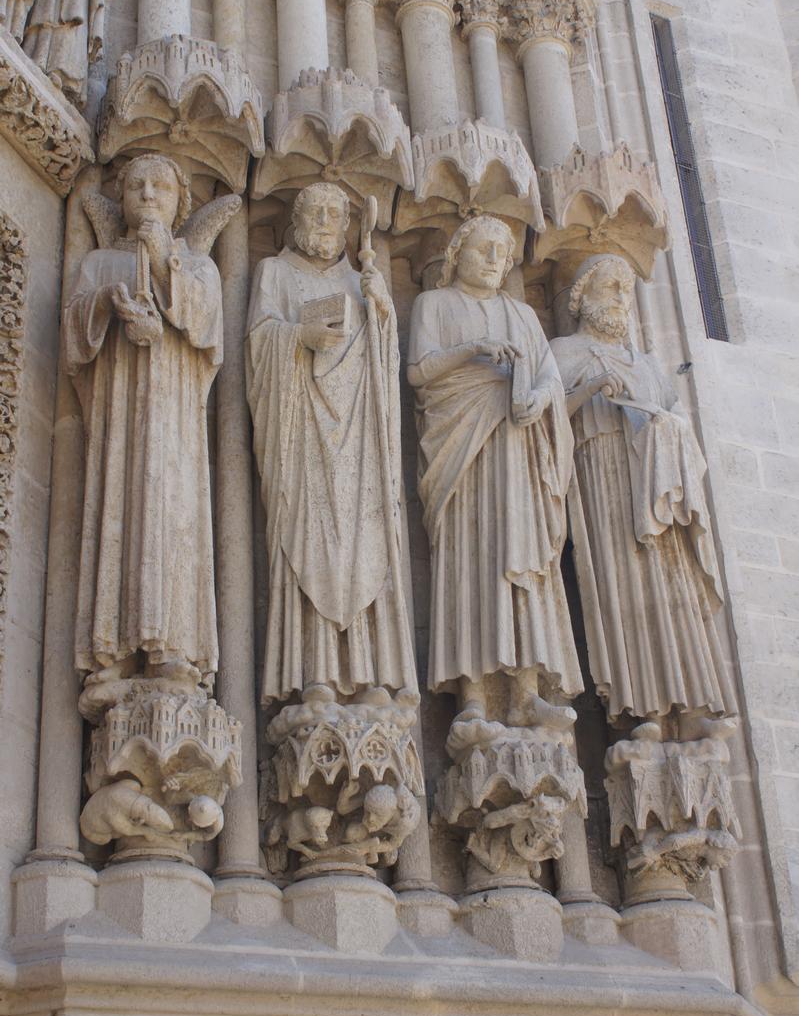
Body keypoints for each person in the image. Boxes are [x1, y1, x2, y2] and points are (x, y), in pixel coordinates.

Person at [246, 181, 417, 705]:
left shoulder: (360, 279)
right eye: (315, 211)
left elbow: (387, 369)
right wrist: (299, 336)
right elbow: (258, 342)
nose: (326, 221)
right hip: (301, 435)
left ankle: (371, 676)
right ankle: (312, 674)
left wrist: (381, 313)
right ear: (295, 220)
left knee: (366, 542)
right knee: (309, 536)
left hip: (361, 444)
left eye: (336, 213)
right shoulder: (274, 272)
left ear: (348, 226)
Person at [408, 214, 581, 722]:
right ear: (458, 252)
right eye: (482, 249)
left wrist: (537, 399)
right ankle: (474, 698)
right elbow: (419, 372)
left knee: (521, 565)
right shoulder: (433, 304)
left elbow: (551, 378)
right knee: (471, 561)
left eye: (501, 255)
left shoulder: (523, 315)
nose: (492, 261)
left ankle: (526, 694)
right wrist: (472, 350)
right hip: (462, 457)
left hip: (518, 456)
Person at [550, 253, 734, 730]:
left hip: (657, 488)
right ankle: (643, 712)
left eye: (625, 290)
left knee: (675, 593)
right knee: (623, 591)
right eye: (608, 286)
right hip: (603, 479)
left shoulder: (650, 364)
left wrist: (666, 428)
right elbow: (541, 423)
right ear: (580, 296)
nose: (619, 298)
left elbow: (681, 425)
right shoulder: (564, 352)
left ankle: (692, 710)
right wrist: (589, 389)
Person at [65, 153, 223, 700]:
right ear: (122, 199)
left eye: (160, 186)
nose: (149, 195)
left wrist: (163, 266)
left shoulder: (197, 263)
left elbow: (205, 328)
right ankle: (112, 651)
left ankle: (175, 649)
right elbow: (72, 335)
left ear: (182, 202)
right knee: (117, 514)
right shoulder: (101, 262)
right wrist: (109, 305)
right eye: (136, 186)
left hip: (175, 417)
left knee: (173, 516)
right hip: (119, 416)